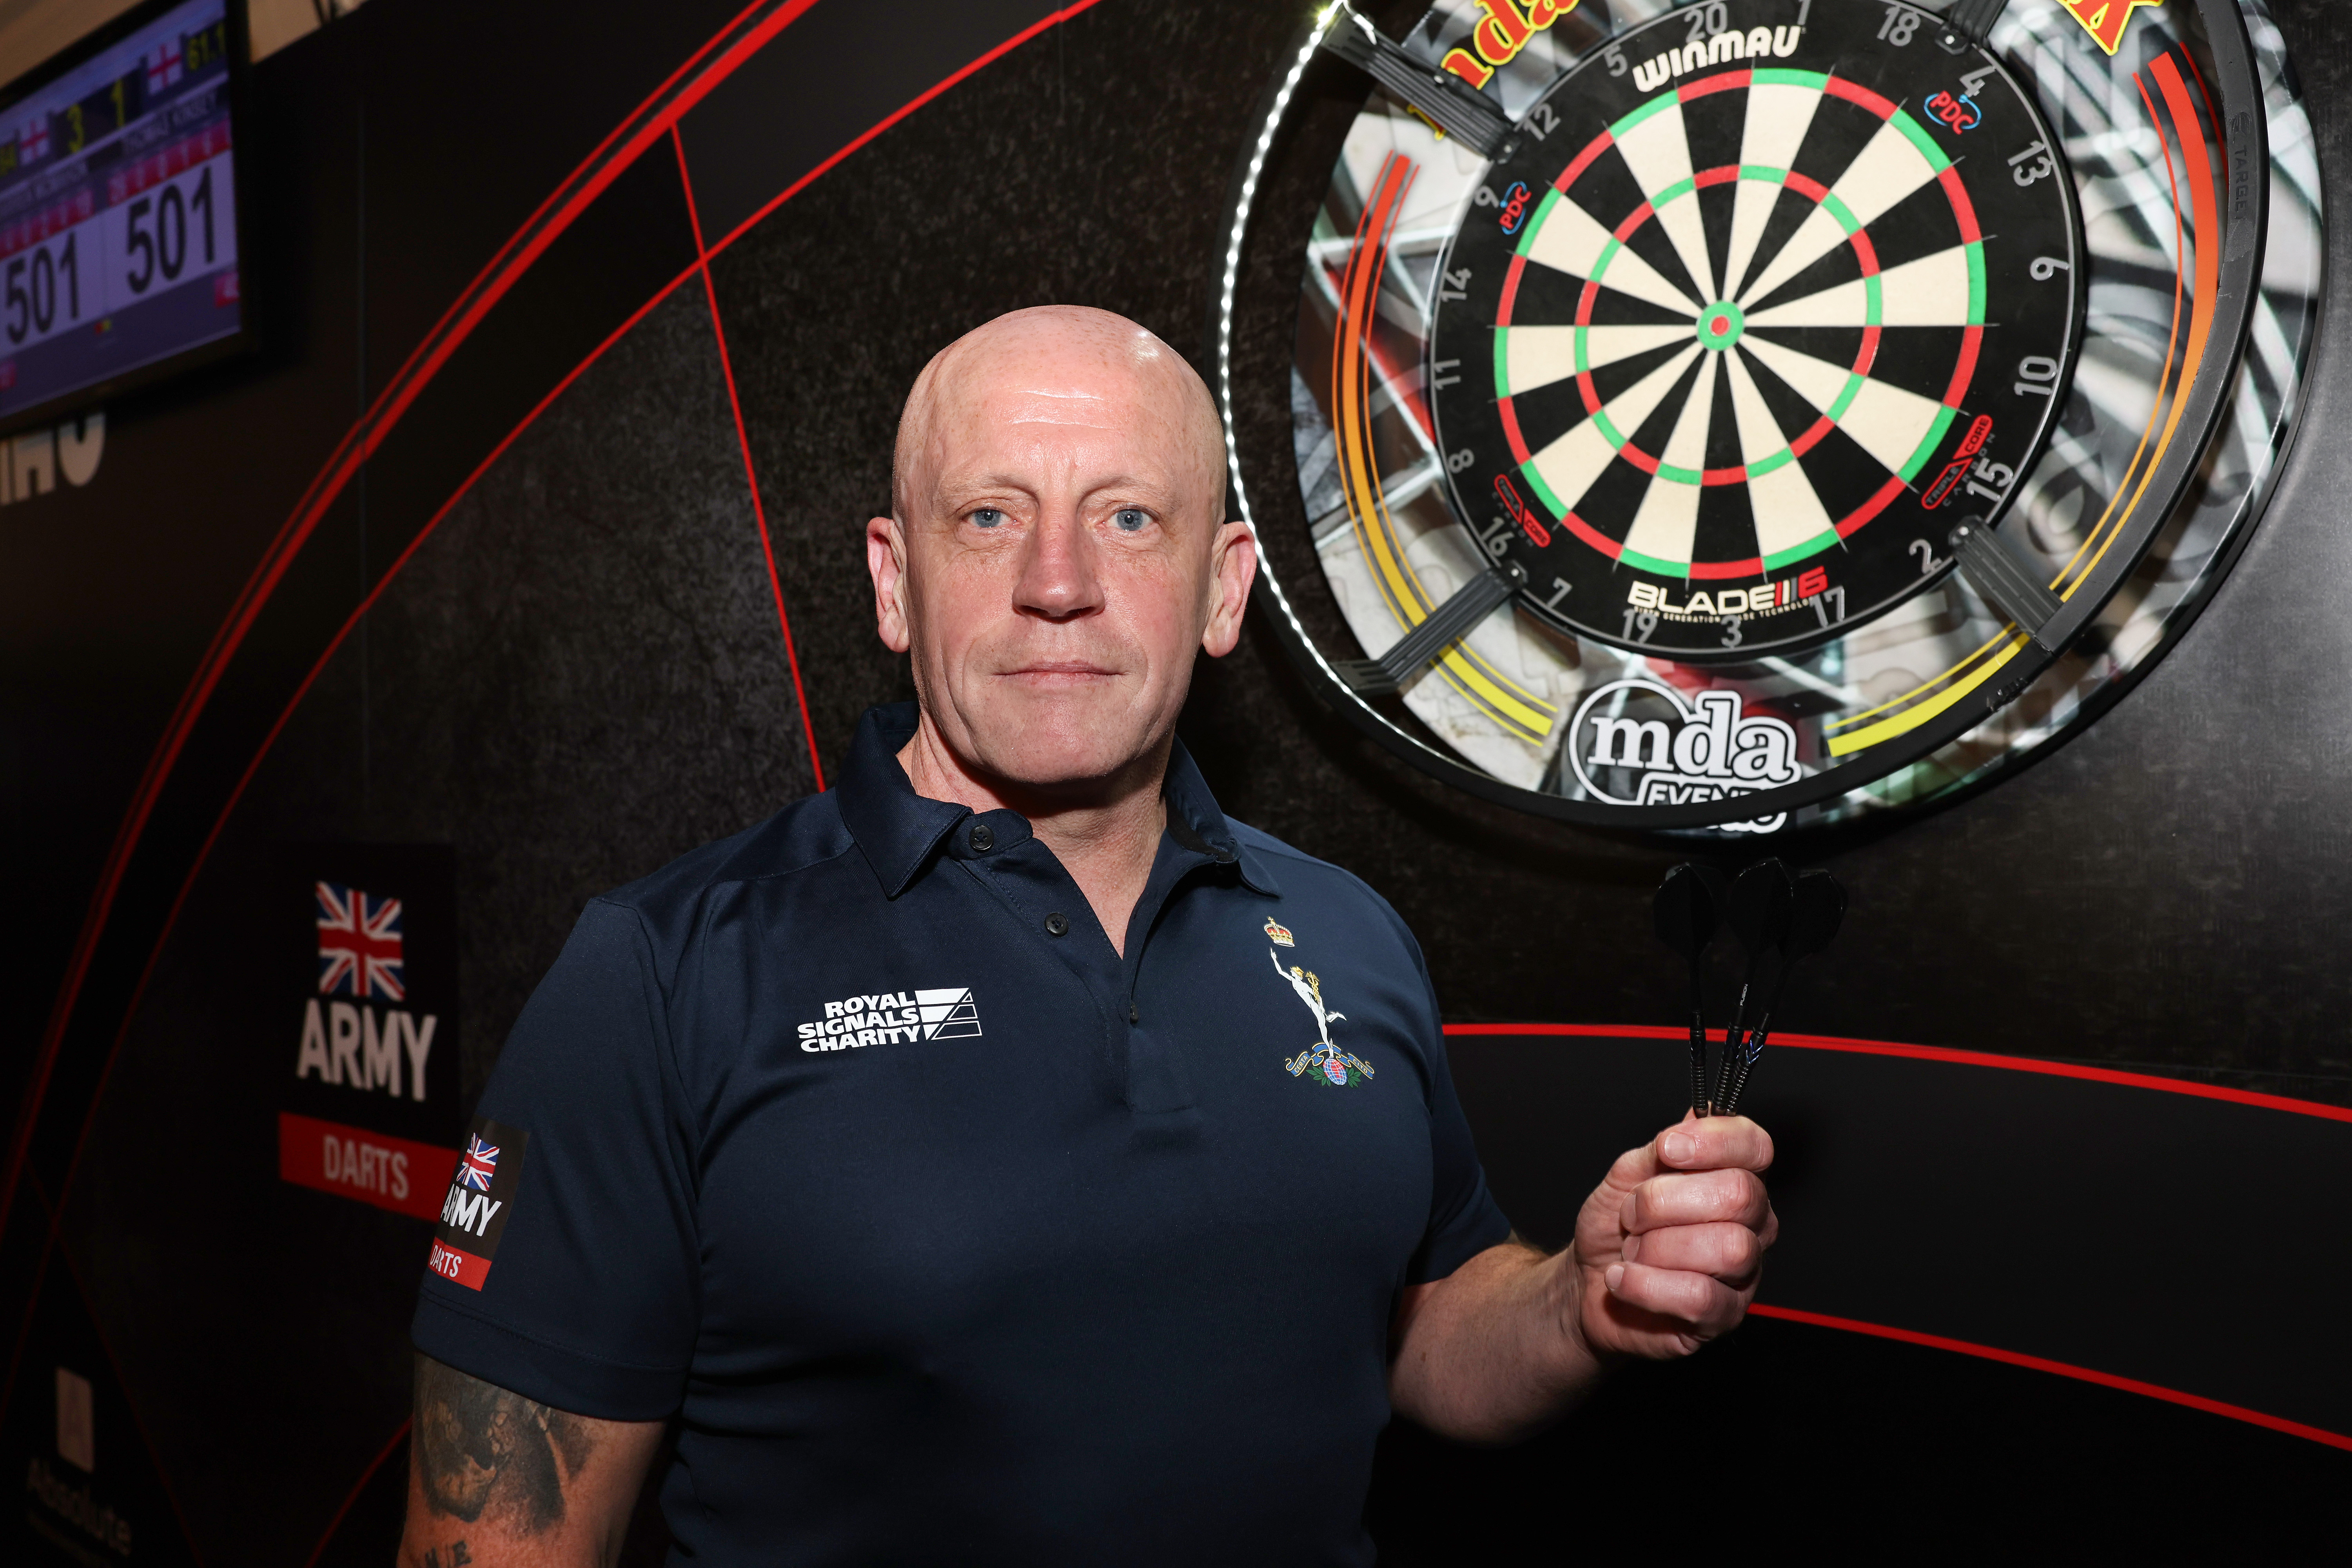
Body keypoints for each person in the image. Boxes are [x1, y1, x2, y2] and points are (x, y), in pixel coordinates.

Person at [399, 306, 1776, 1565]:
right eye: (989, 517)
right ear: (894, 581)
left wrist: (1576, 1304)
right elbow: (495, 1539)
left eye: (1128, 519)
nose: (1057, 581)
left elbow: (1417, 1324)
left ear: (1225, 589)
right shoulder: (664, 974)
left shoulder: (1348, 936)